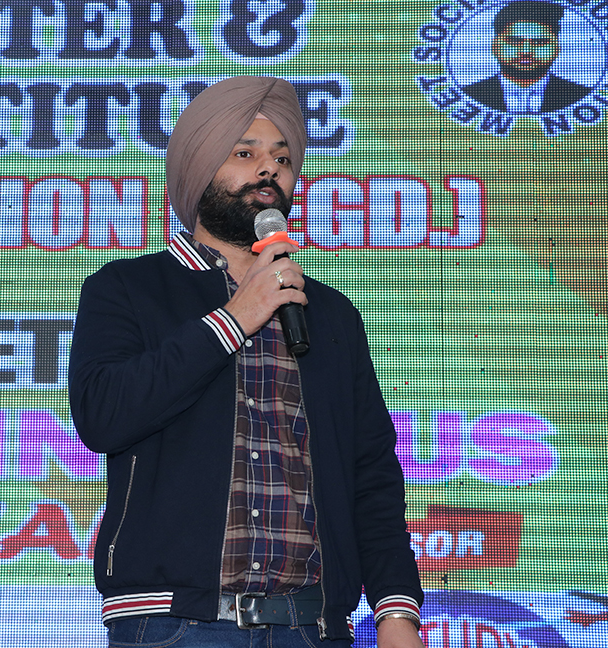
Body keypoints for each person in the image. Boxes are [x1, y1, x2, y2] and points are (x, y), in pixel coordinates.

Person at [68, 76, 423, 647]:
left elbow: (371, 474)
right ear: (199, 167)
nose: (268, 170)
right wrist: (234, 318)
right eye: (244, 153)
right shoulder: (127, 288)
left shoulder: (329, 314)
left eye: (282, 159)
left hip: (312, 627)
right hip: (175, 626)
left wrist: (396, 611)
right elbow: (104, 415)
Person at [461, 0, 590, 113]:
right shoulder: (469, 95)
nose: (526, 51)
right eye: (514, 42)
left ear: (557, 48)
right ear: (495, 46)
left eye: (540, 43)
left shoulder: (580, 96)